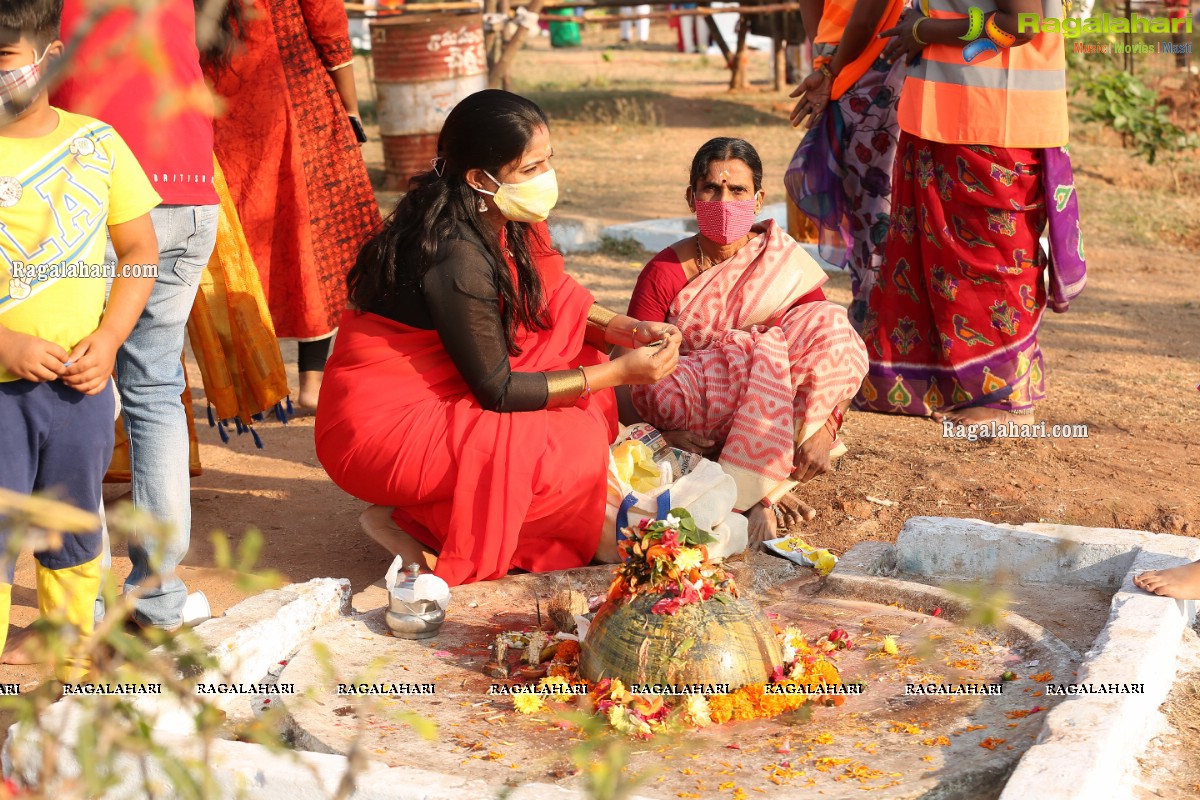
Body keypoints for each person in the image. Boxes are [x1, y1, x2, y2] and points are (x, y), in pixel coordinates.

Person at [314, 90, 682, 587]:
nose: (545, 179)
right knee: (566, 452)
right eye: (530, 169)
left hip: (451, 391)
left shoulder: (506, 217)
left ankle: (433, 513)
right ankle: (408, 523)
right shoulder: (457, 253)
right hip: (383, 426)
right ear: (478, 178)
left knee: (587, 416)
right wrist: (619, 372)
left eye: (547, 162)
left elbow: (553, 302)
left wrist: (625, 327)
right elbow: (501, 392)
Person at [42, 0, 218, 637]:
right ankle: (158, 601)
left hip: (103, 201)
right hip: (192, 195)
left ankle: (78, 603)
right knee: (155, 391)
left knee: (75, 389)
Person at [0, 0, 160, 678]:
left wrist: (112, 334)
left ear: (48, 56)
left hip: (78, 391)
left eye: (3, 61)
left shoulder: (97, 145)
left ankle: (67, 677)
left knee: (73, 533)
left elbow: (140, 253)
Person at [625, 137, 869, 544]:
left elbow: (834, 349)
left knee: (827, 322)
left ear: (758, 200)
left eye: (737, 190)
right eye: (711, 189)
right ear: (691, 197)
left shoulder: (779, 262)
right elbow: (629, 369)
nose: (724, 202)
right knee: (718, 366)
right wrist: (662, 438)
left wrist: (827, 427)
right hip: (696, 416)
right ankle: (761, 489)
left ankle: (758, 482)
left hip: (767, 414)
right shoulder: (664, 271)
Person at [854, 0, 1086, 424]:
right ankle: (932, 382)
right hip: (947, 117)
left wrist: (926, 32)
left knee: (988, 261)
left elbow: (1020, 23)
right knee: (936, 262)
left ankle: (1004, 397)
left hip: (994, 124)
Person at [200, 0, 380, 408]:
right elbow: (328, 25)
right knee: (316, 235)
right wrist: (350, 108)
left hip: (215, 103)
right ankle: (311, 384)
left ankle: (243, 383)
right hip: (295, 99)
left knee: (238, 237)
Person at [785, 0, 906, 330]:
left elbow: (865, 15)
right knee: (876, 207)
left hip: (864, 65)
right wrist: (828, 68)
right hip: (866, 68)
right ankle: (874, 323)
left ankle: (874, 321)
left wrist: (826, 65)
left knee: (870, 208)